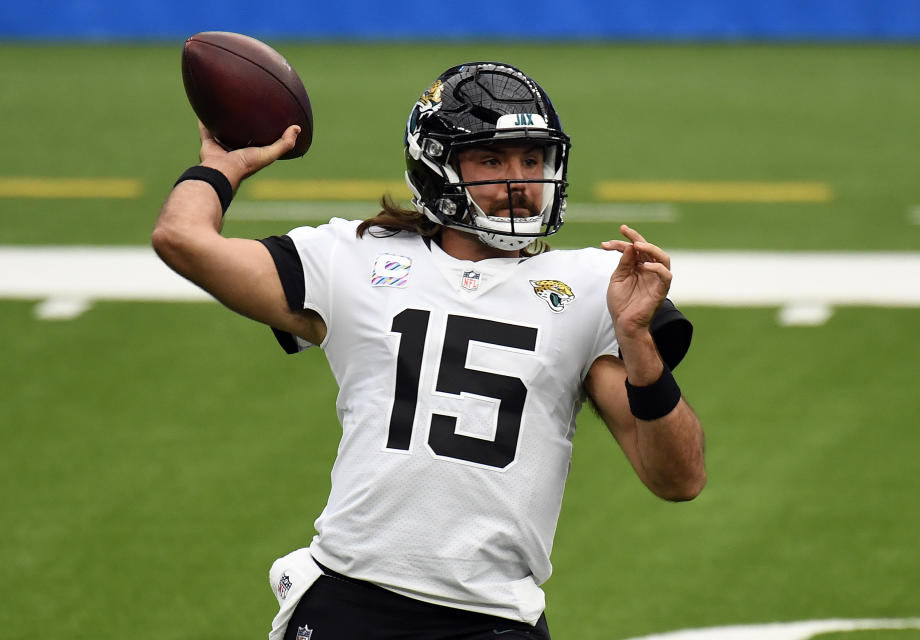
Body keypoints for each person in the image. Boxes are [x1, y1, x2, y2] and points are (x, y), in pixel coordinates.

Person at [153, 61, 706, 640]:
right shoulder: (355, 258)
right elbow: (182, 239)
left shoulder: (591, 286)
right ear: (437, 165)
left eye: (532, 159)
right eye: (491, 160)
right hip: (350, 599)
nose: (518, 181)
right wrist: (219, 167)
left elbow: (678, 479)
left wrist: (640, 343)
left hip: (492, 618)